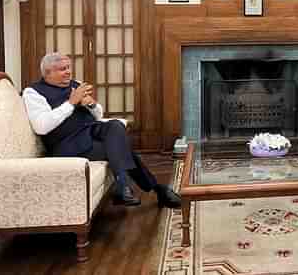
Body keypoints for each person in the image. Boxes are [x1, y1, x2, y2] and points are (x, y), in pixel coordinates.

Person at [23, 52, 181, 209]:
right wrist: (71, 103)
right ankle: (155, 189)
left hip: (92, 132)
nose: (68, 71)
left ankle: (123, 186)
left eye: (69, 67)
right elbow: (42, 126)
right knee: (119, 148)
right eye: (62, 69)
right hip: (68, 144)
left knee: (115, 125)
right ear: (47, 73)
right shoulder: (33, 93)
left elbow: (99, 115)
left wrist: (91, 104)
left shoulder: (75, 84)